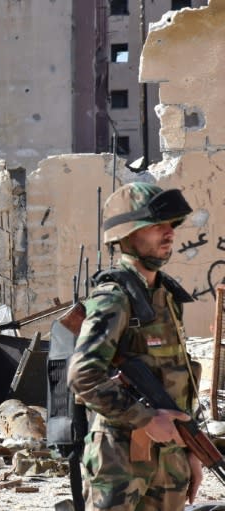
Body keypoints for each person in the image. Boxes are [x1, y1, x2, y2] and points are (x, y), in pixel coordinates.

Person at [67, 182, 201, 510]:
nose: (168, 233)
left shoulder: (166, 296)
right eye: (157, 226)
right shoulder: (113, 298)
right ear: (127, 235)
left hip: (170, 459)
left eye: (171, 225)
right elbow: (83, 376)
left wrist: (191, 450)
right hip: (119, 459)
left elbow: (177, 378)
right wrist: (144, 418)